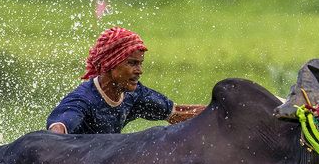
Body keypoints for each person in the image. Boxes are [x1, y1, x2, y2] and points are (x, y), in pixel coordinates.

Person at [47, 27, 205, 134]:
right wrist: (56, 135)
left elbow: (177, 114)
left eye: (140, 64)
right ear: (110, 64)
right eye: (132, 63)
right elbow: (59, 128)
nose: (139, 71)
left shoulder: (135, 95)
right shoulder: (84, 100)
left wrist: (222, 112)